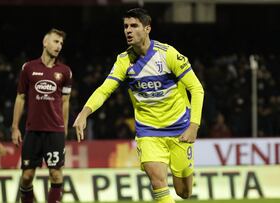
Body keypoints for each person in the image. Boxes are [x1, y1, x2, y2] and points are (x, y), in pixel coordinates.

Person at [73, 8, 204, 203]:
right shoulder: (123, 61)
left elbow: (196, 88)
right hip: (148, 131)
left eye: (134, 26)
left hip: (180, 128)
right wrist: (84, 112)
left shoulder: (168, 54)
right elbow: (104, 89)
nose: (128, 30)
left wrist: (194, 126)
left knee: (184, 192)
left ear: (147, 29)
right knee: (157, 181)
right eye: (126, 26)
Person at [11, 28, 72, 203]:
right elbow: (20, 97)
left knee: (56, 174)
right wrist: (15, 127)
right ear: (45, 42)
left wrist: (65, 129)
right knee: (27, 176)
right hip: (33, 130)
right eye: (55, 41)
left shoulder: (65, 72)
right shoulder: (28, 68)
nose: (59, 46)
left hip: (55, 130)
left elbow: (65, 102)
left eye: (61, 43)